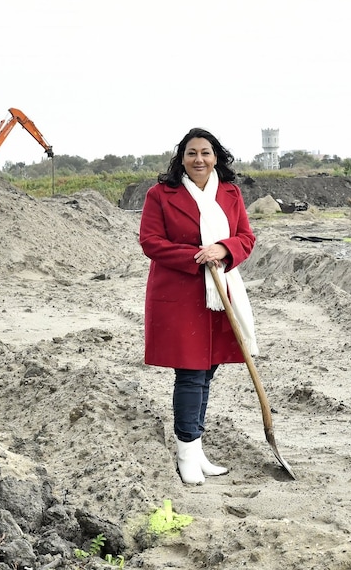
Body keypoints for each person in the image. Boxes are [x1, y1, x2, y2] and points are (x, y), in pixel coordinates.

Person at [139, 127, 257, 484]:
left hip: (220, 293)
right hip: (180, 295)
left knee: (208, 371)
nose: (199, 159)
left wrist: (223, 249)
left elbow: (245, 237)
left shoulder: (230, 192)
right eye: (192, 153)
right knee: (190, 373)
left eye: (205, 153)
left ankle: (196, 450)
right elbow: (150, 241)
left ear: (216, 157)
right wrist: (196, 256)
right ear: (182, 158)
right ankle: (186, 454)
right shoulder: (161, 194)